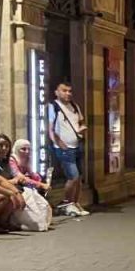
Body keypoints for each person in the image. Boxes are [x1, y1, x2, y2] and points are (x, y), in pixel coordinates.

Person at [47, 82, 89, 217]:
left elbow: (81, 122)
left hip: (77, 145)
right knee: (73, 176)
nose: (68, 93)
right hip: (64, 147)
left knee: (79, 177)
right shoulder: (53, 107)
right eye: (64, 90)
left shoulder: (75, 106)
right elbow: (51, 129)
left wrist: (82, 130)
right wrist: (58, 143)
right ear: (57, 92)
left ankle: (75, 203)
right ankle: (67, 203)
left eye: (70, 91)